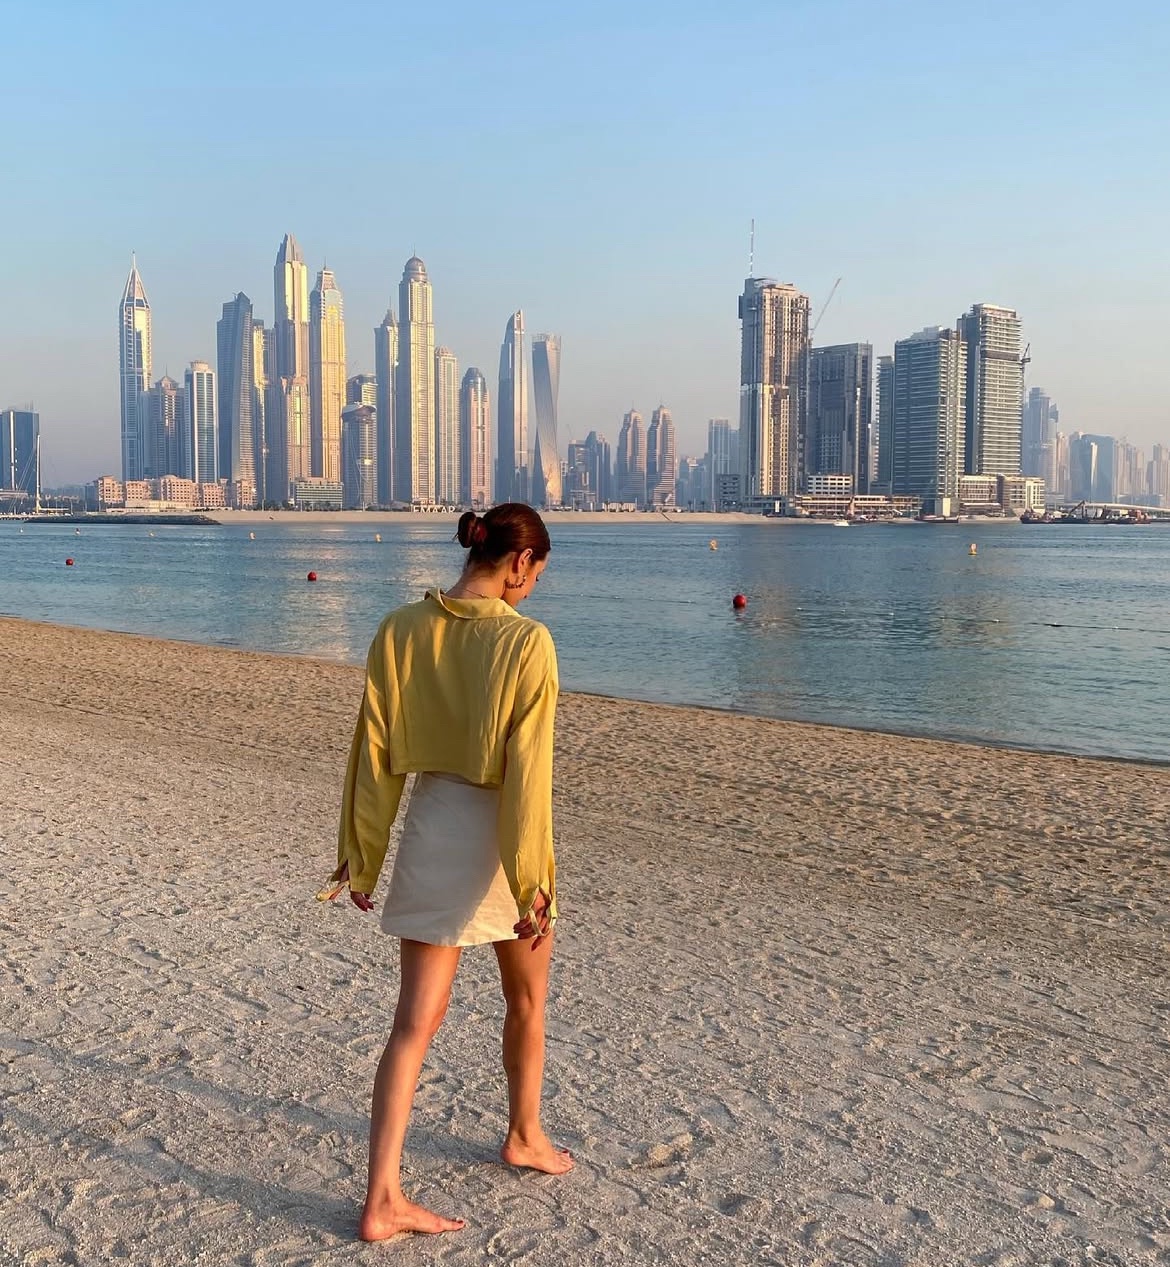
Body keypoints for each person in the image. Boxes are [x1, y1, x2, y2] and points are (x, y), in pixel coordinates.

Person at [323, 502, 572, 1243]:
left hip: (432, 823)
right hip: (500, 839)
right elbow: (528, 775)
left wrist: (362, 854)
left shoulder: (400, 629)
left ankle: (382, 1197)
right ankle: (524, 1134)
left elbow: (373, 753)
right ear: (520, 562)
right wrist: (532, 879)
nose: (534, 587)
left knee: (412, 1023)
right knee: (526, 999)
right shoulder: (526, 642)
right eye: (537, 573)